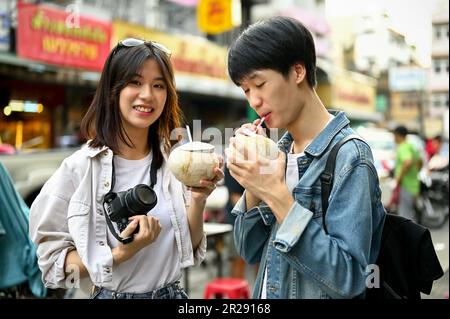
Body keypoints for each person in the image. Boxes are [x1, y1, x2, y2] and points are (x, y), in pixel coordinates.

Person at [29, 38, 223, 299]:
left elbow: (190, 247)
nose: (147, 95)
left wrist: (198, 200)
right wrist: (120, 254)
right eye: (135, 82)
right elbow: (53, 266)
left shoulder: (176, 163)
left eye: (158, 85)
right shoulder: (80, 168)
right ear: (113, 89)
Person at [225, 17, 386, 299]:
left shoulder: (350, 157)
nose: (253, 101)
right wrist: (254, 182)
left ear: (297, 71)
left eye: (259, 84)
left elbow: (349, 279)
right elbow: (248, 250)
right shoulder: (278, 154)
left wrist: (277, 196)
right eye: (246, 90)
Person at [392, 126, 422, 222]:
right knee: (410, 213)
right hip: (414, 185)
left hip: (406, 185)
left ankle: (409, 236)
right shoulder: (412, 147)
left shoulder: (403, 147)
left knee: (404, 216)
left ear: (398, 135)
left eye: (394, 135)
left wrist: (399, 178)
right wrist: (415, 172)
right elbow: (420, 162)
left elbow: (407, 162)